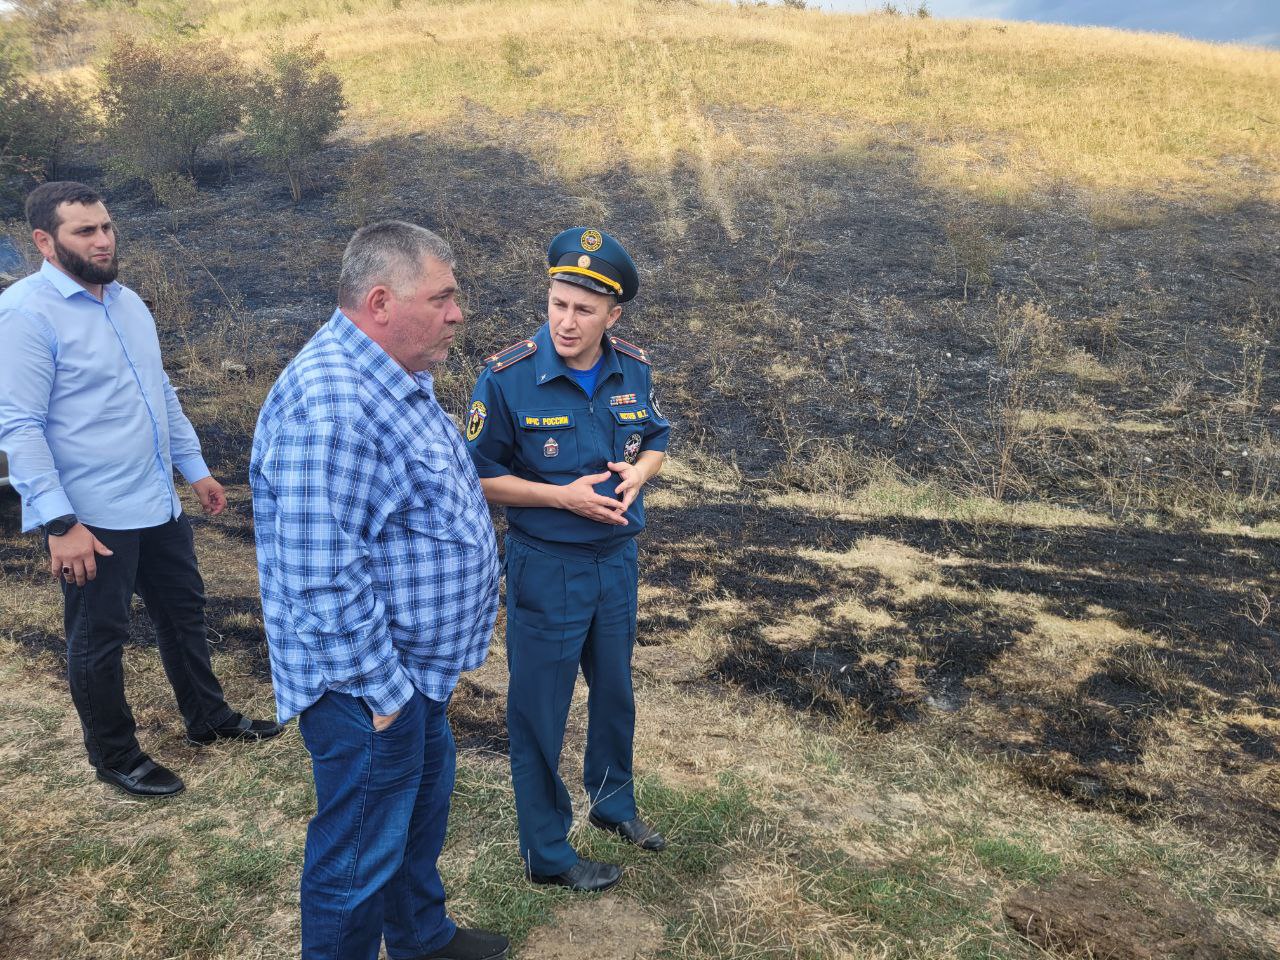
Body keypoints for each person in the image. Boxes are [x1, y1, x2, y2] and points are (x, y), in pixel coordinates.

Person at [250, 221, 508, 960]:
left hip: (410, 673)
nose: (459, 314)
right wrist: (384, 696)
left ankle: (422, 938)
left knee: (414, 819)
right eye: (445, 297)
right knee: (354, 861)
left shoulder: (390, 374)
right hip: (366, 688)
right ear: (382, 301)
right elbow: (320, 573)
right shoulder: (333, 407)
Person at [0, 181, 281, 799]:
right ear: (45, 242)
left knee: (183, 613)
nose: (102, 240)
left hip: (157, 501)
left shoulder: (128, 302)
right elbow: (18, 425)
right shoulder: (26, 313)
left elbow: (161, 394)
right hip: (92, 517)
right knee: (99, 640)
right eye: (84, 231)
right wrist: (58, 523)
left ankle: (208, 717)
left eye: (106, 227)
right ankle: (115, 755)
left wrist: (196, 467)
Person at [466, 227, 671, 893]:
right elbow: (476, 477)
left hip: (616, 563)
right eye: (558, 303)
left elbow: (657, 438)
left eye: (584, 310)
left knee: (615, 694)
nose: (566, 321)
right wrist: (561, 498)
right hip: (546, 565)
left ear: (614, 316)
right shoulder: (506, 377)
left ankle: (614, 805)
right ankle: (547, 851)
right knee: (539, 709)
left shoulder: (632, 367)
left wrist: (641, 473)